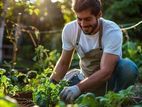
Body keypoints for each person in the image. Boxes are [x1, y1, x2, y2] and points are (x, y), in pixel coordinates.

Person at [50, 0, 138, 103]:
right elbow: (64, 63)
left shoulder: (111, 31)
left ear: (99, 15)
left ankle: (116, 99)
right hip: (85, 80)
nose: (83, 24)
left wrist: (77, 88)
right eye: (79, 19)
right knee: (62, 93)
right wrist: (50, 85)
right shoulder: (70, 30)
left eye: (87, 19)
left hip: (109, 82)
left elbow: (106, 71)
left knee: (128, 68)